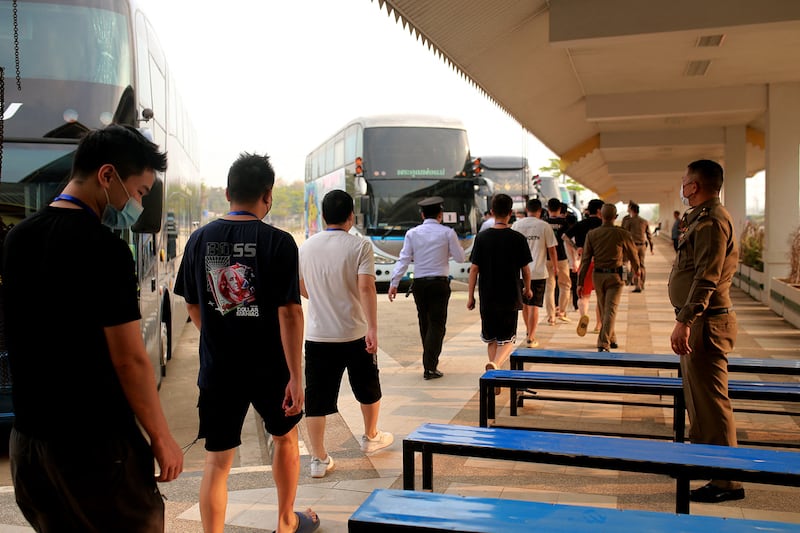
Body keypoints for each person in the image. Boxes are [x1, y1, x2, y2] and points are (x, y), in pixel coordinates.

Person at [1, 125, 184, 532]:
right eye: (138, 191)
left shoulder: (18, 238)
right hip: (93, 448)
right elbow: (130, 359)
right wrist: (161, 437)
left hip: (30, 444)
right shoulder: (106, 250)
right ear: (107, 176)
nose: (137, 202)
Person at [174, 153, 319, 533]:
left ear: (227, 193)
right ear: (268, 196)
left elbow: (191, 302)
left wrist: (218, 334)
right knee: (285, 441)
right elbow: (290, 313)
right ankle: (286, 522)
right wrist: (295, 376)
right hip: (271, 366)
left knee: (217, 460)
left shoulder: (199, 240)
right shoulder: (279, 242)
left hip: (219, 368)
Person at [298, 190, 393, 479]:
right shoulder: (360, 246)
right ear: (351, 216)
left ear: (323, 216)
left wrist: (322, 297)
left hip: (318, 336)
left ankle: (318, 458)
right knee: (367, 386)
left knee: (316, 398)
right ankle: (370, 436)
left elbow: (301, 287)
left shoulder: (306, 246)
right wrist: (373, 328)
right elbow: (366, 288)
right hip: (354, 333)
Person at [669, 159, 743, 503]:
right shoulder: (700, 218)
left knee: (713, 403)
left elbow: (707, 276)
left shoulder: (712, 221)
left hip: (706, 323)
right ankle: (704, 461)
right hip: (698, 321)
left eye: (685, 182)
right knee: (698, 401)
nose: (683, 187)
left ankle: (728, 481)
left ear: (694, 186)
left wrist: (685, 319)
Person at [388, 196, 466, 380]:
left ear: (422, 215)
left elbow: (404, 259)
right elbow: (461, 258)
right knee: (438, 325)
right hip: (439, 283)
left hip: (420, 285)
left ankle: (429, 362)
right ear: (441, 215)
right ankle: (430, 365)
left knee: (425, 322)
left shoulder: (412, 234)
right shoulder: (448, 233)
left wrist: (394, 283)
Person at [468, 194, 533, 373]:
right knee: (508, 340)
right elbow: (526, 270)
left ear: (491, 212)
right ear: (510, 213)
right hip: (510, 296)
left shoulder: (481, 238)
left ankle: (494, 374)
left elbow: (474, 269)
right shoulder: (518, 238)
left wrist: (470, 297)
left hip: (487, 297)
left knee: (492, 340)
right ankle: (496, 367)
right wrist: (528, 289)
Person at [577, 204, 640, 352]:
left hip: (597, 276)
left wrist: (580, 282)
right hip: (616, 276)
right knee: (610, 309)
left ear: (601, 215)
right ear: (615, 217)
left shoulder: (592, 234)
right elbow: (633, 254)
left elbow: (585, 260)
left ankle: (612, 338)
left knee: (604, 307)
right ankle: (603, 342)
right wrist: (637, 270)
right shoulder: (622, 233)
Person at [512, 198, 558, 348]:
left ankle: (528, 330)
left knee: (525, 304)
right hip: (538, 272)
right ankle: (531, 337)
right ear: (540, 211)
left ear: (527, 209)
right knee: (534, 306)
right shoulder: (544, 226)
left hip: (519, 273)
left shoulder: (517, 225)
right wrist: (556, 267)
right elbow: (552, 249)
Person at [565, 198, 605, 336]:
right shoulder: (604, 224)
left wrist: (577, 248)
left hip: (585, 262)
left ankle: (584, 315)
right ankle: (599, 325)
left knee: (584, 296)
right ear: (600, 210)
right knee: (601, 296)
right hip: (601, 263)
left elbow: (565, 236)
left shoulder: (581, 224)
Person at [544, 198, 572, 324]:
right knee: (565, 285)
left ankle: (551, 316)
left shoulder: (544, 223)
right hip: (561, 257)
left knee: (550, 287)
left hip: (547, 258)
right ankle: (561, 311)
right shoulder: (565, 223)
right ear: (560, 209)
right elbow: (568, 241)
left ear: (548, 209)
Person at [621, 201, 653, 292]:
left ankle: (631, 282)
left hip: (632, 246)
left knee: (627, 263)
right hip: (642, 246)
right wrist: (651, 247)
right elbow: (649, 235)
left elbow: (624, 233)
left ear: (631, 209)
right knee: (641, 265)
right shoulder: (644, 221)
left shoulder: (629, 221)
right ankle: (641, 284)